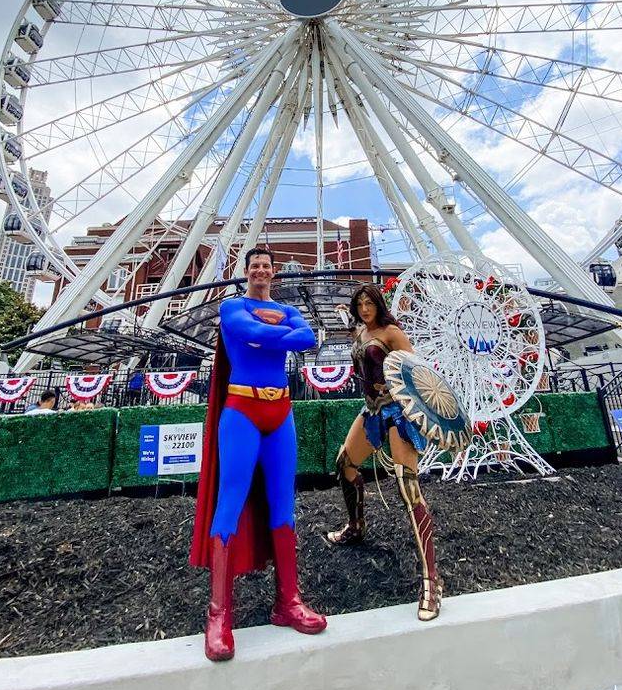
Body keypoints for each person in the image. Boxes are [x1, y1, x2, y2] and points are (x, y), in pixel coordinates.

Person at [190, 246, 326, 661]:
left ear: (274, 274)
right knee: (229, 502)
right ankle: (218, 615)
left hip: (280, 412)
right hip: (242, 411)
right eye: (255, 266)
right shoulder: (232, 307)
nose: (262, 271)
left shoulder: (283, 309)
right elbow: (264, 335)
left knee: (284, 506)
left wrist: (269, 326)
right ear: (246, 272)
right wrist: (274, 327)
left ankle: (288, 602)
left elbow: (309, 338)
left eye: (267, 266)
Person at [327, 284, 443, 621]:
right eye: (359, 303)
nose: (364, 308)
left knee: (409, 489)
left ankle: (431, 581)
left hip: (397, 412)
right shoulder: (362, 332)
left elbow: (417, 374)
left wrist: (416, 415)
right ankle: (356, 525)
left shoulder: (392, 333)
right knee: (345, 463)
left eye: (369, 302)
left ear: (379, 304)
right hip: (371, 409)